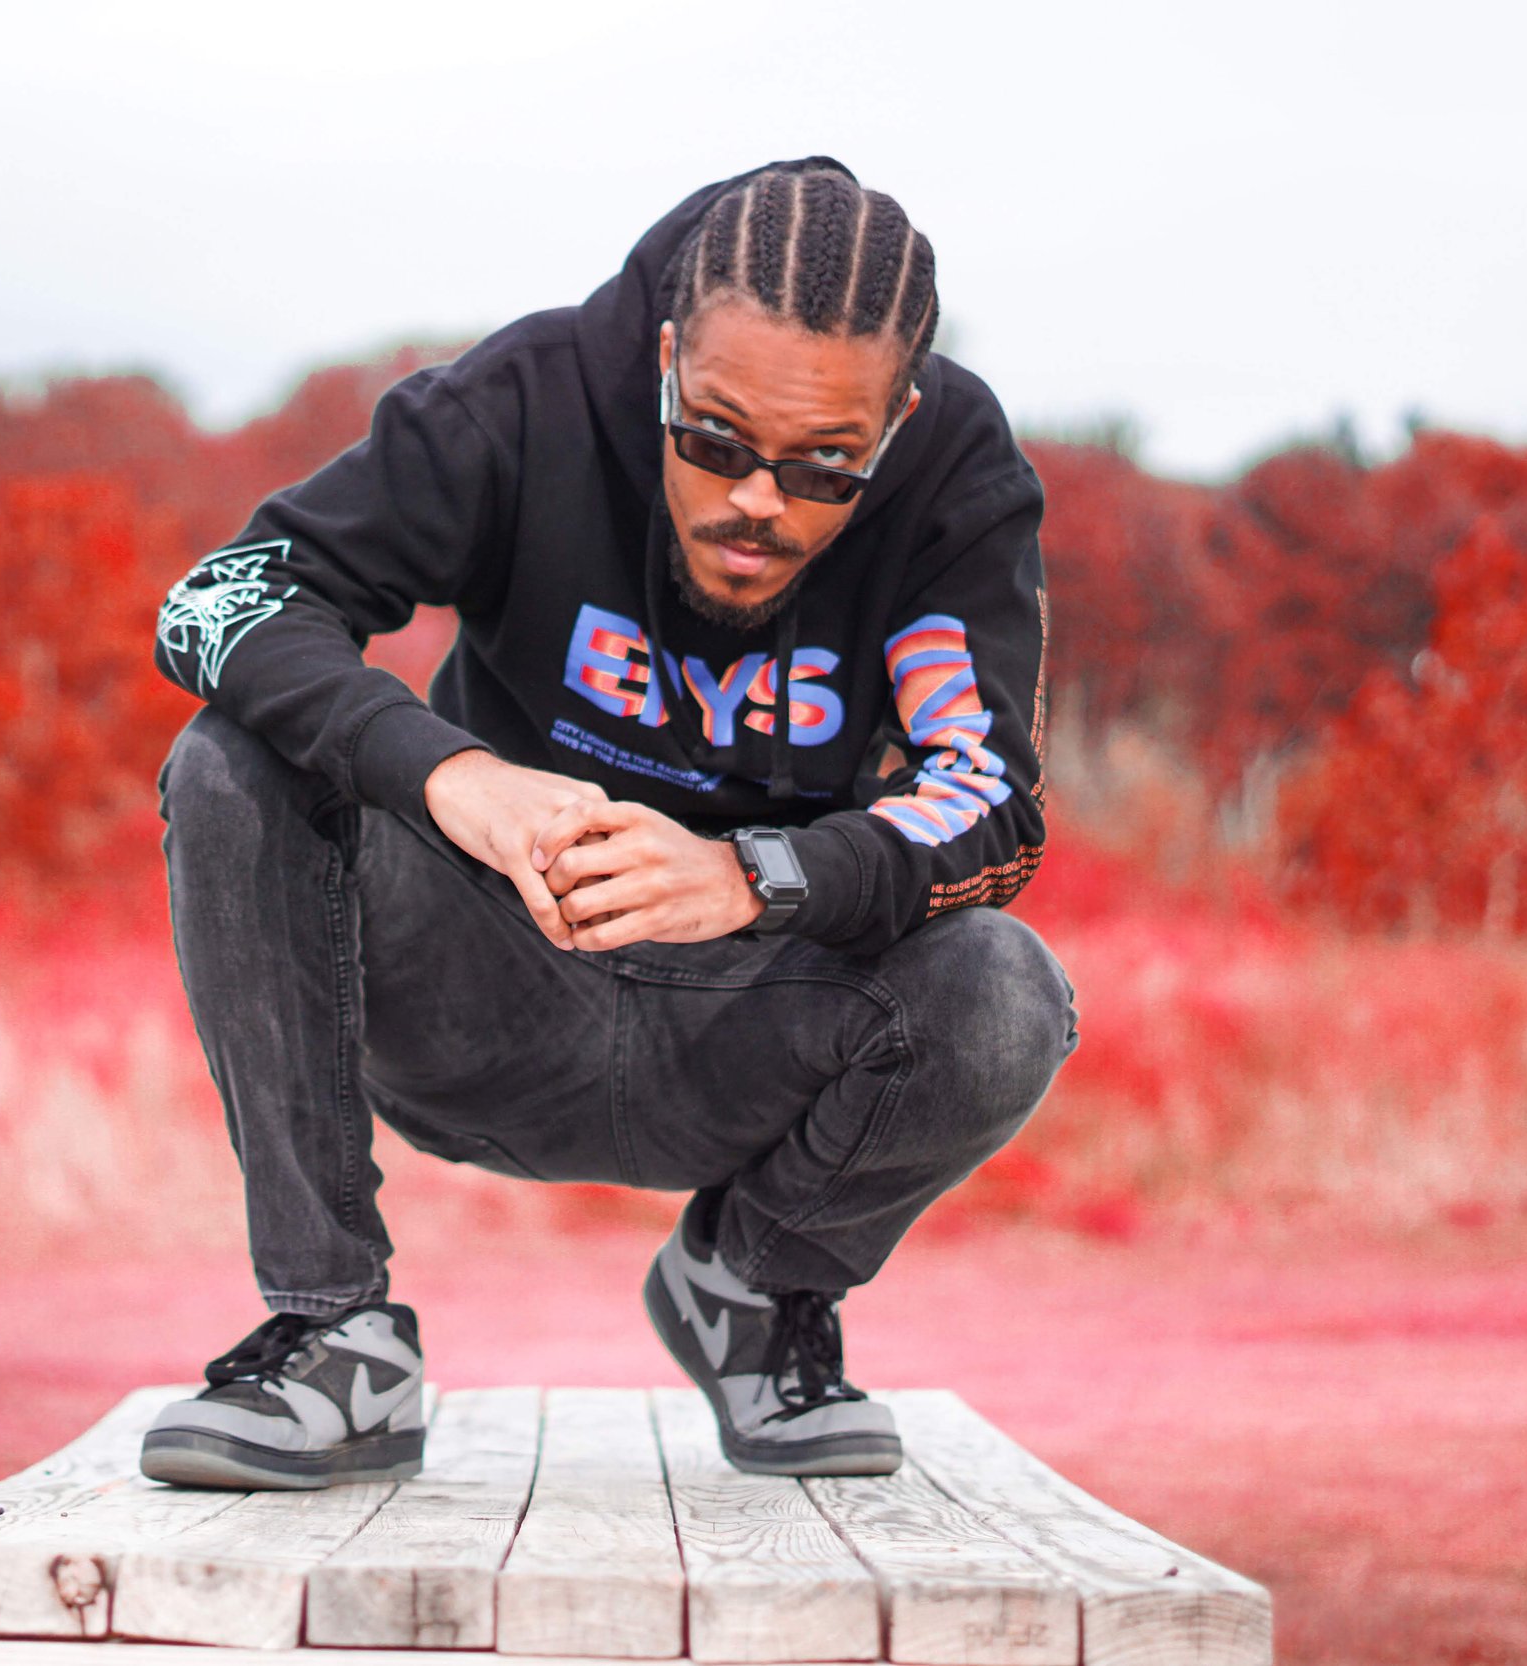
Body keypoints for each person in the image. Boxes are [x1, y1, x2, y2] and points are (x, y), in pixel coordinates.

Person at [139, 158, 1078, 1490]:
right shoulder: (529, 401)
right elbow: (220, 604)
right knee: (232, 760)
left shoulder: (952, 480)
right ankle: (334, 1330)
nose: (758, 500)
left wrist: (756, 876)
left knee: (1006, 986)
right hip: (483, 985)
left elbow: (991, 808)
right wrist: (450, 776)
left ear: (897, 419)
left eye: (823, 466)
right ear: (661, 363)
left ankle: (750, 1289)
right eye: (714, 440)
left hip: (757, 1025)